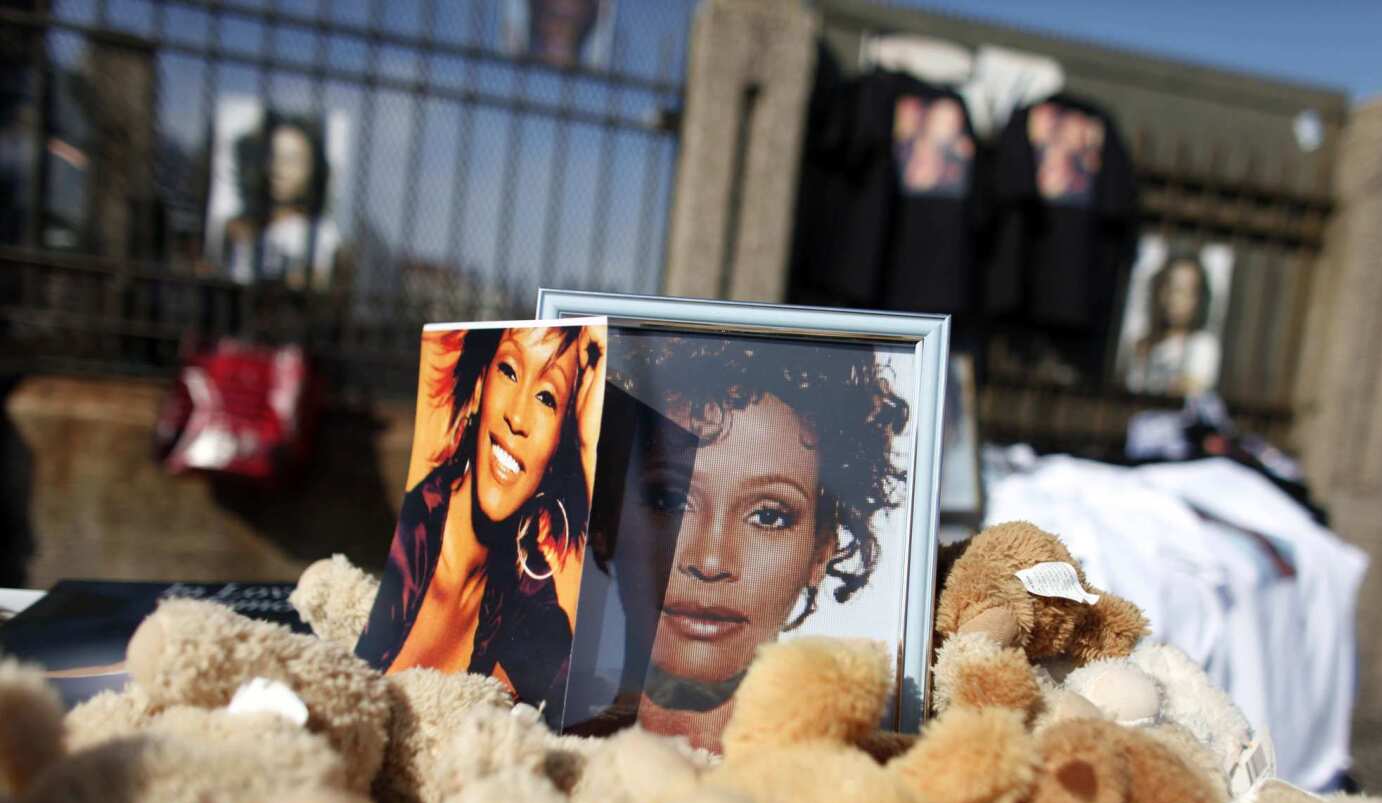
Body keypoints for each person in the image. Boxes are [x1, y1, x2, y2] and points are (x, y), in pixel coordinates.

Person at [582, 334, 910, 752]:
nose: (711, 559)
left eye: (769, 516)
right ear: (608, 518)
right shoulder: (523, 738)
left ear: (820, 549)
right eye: (671, 500)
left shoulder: (858, 774)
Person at [356, 323, 606, 719]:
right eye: (508, 371)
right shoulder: (411, 535)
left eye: (546, 397)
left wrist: (592, 450)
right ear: (477, 392)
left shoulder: (522, 601)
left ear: (559, 450)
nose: (518, 417)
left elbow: (588, 705)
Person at [223, 111, 340, 289]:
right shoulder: (238, 228)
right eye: (272, 156)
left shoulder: (322, 234)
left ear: (312, 169)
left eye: (292, 159)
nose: (278, 168)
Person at [1126, 252, 1221, 396]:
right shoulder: (1141, 343)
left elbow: (1192, 393)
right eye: (1169, 287)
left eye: (1184, 292)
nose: (1174, 298)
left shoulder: (1203, 345)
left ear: (1198, 299)